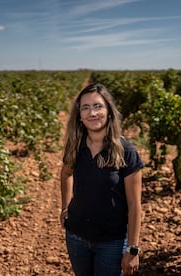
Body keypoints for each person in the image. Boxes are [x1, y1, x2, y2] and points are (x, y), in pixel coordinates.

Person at [60, 83, 144, 276]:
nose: (92, 113)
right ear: (79, 116)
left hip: (112, 242)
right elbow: (65, 174)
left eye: (98, 106)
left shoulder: (125, 151)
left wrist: (132, 249)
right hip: (76, 237)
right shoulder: (76, 146)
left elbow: (135, 206)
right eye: (86, 108)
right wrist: (65, 207)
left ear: (109, 111)